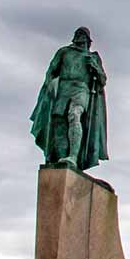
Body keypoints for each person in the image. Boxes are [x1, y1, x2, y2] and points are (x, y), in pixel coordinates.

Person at [29, 27, 108, 170]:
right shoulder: (64, 52)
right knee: (59, 122)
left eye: (83, 35)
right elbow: (51, 70)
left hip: (81, 89)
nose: (80, 37)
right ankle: (62, 157)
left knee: (74, 115)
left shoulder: (93, 57)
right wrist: (49, 84)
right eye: (78, 34)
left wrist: (95, 68)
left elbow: (102, 80)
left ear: (88, 41)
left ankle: (73, 156)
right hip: (64, 89)